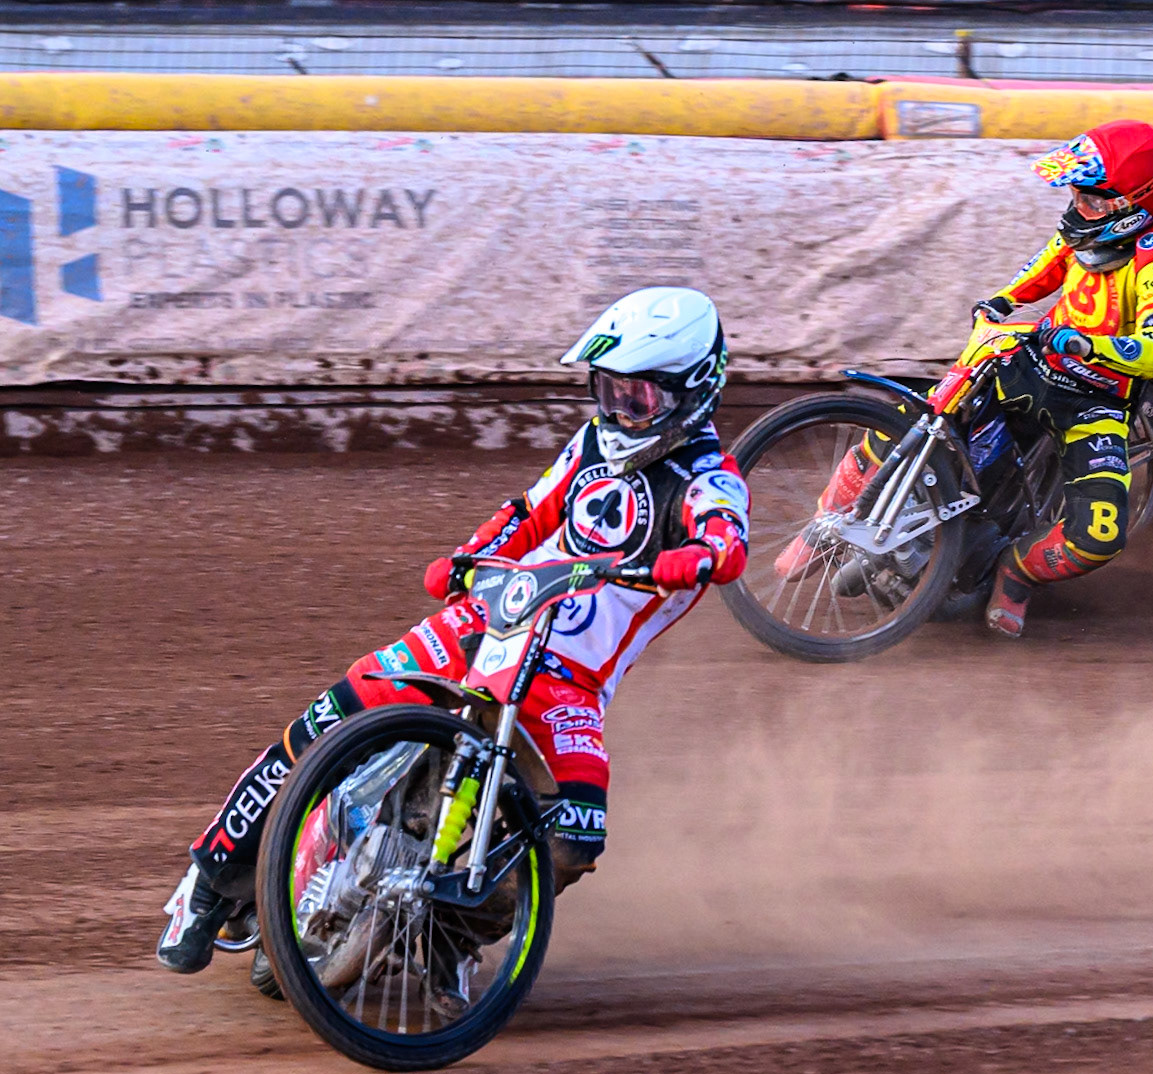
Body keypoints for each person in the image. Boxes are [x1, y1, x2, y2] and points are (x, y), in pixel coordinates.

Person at [158, 286, 750, 979]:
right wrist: (470, 559)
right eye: (609, 392)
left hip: (568, 683)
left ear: (694, 392)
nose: (619, 411)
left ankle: (445, 941)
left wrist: (702, 556)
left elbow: (727, 537)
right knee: (334, 713)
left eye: (639, 399)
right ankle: (210, 874)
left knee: (573, 839)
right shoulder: (591, 444)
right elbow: (526, 513)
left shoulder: (712, 478)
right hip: (492, 619)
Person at [969, 120, 1153, 637]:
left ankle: (1015, 572)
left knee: (1100, 534)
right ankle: (832, 515)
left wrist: (1086, 345)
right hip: (1031, 361)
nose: (1077, 210)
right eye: (1076, 197)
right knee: (931, 417)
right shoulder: (1085, 226)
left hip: (1095, 401)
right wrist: (1004, 300)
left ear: (1131, 207)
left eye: (1091, 201)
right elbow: (1050, 261)